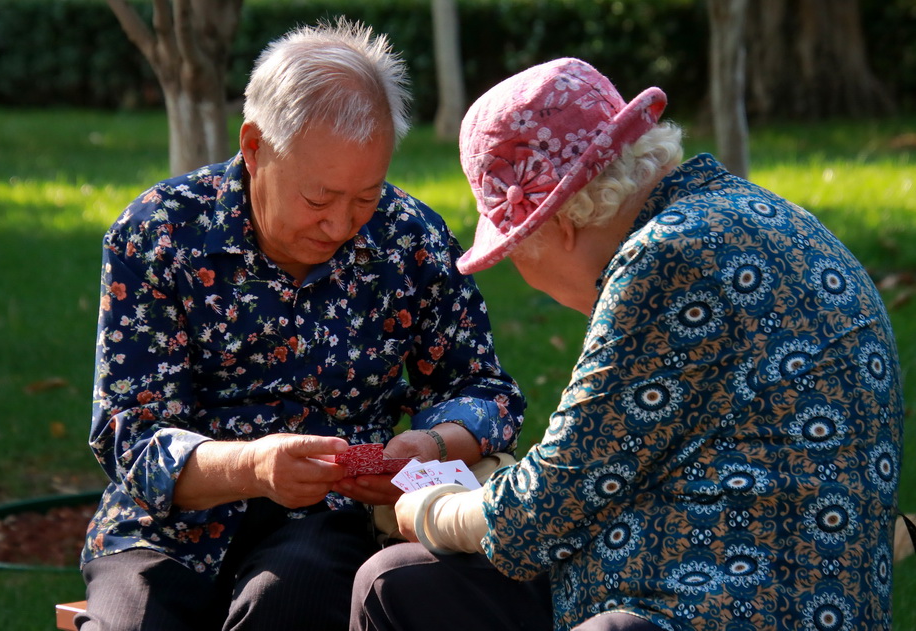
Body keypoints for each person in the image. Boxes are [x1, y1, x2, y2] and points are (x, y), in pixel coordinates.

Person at [351, 57, 904, 631]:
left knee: (403, 583)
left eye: (513, 251)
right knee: (398, 584)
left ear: (557, 225)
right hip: (778, 587)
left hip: (718, 604)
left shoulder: (664, 259)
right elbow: (604, 460)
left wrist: (428, 508)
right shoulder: (761, 217)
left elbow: (548, 507)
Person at [77, 18, 527, 631]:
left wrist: (432, 446)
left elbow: (485, 391)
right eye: (319, 199)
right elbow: (130, 436)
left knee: (288, 604)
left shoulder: (410, 238)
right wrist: (253, 467)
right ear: (255, 147)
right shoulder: (159, 233)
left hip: (327, 521)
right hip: (163, 529)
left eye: (365, 197)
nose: (341, 224)